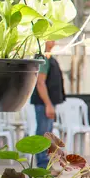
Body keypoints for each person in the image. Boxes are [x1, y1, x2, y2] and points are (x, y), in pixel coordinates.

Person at [31, 40, 64, 168]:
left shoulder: (48, 57)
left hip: (47, 102)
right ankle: (42, 166)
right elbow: (40, 82)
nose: (54, 40)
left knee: (48, 134)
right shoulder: (42, 58)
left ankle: (46, 166)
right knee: (43, 134)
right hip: (43, 103)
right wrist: (48, 104)